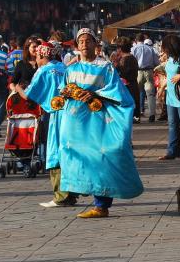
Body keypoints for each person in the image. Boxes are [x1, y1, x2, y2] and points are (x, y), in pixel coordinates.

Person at [55, 29, 144, 218]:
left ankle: (101, 205)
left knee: (101, 158)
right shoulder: (70, 69)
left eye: (88, 41)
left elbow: (116, 91)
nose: (84, 45)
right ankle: (78, 192)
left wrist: (95, 94)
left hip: (98, 122)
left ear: (96, 44)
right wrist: (66, 93)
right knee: (75, 156)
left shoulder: (106, 68)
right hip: (75, 124)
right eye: (81, 42)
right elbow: (62, 90)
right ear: (76, 46)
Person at [17, 42, 78, 209]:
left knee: (55, 152)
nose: (36, 59)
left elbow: (30, 95)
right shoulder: (63, 67)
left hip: (55, 114)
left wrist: (18, 89)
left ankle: (60, 196)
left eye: (37, 56)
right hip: (71, 114)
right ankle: (71, 194)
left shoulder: (43, 71)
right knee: (68, 151)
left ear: (43, 56)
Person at [132, 33, 159, 123]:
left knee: (137, 94)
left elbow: (131, 61)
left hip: (138, 72)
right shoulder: (150, 49)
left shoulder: (134, 49)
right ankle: (152, 115)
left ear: (136, 40)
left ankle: (137, 114)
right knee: (150, 94)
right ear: (144, 39)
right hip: (149, 72)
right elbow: (156, 62)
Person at [113, 37, 141, 123]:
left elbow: (121, 74)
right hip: (133, 85)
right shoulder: (132, 58)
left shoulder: (124, 60)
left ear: (120, 48)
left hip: (126, 87)